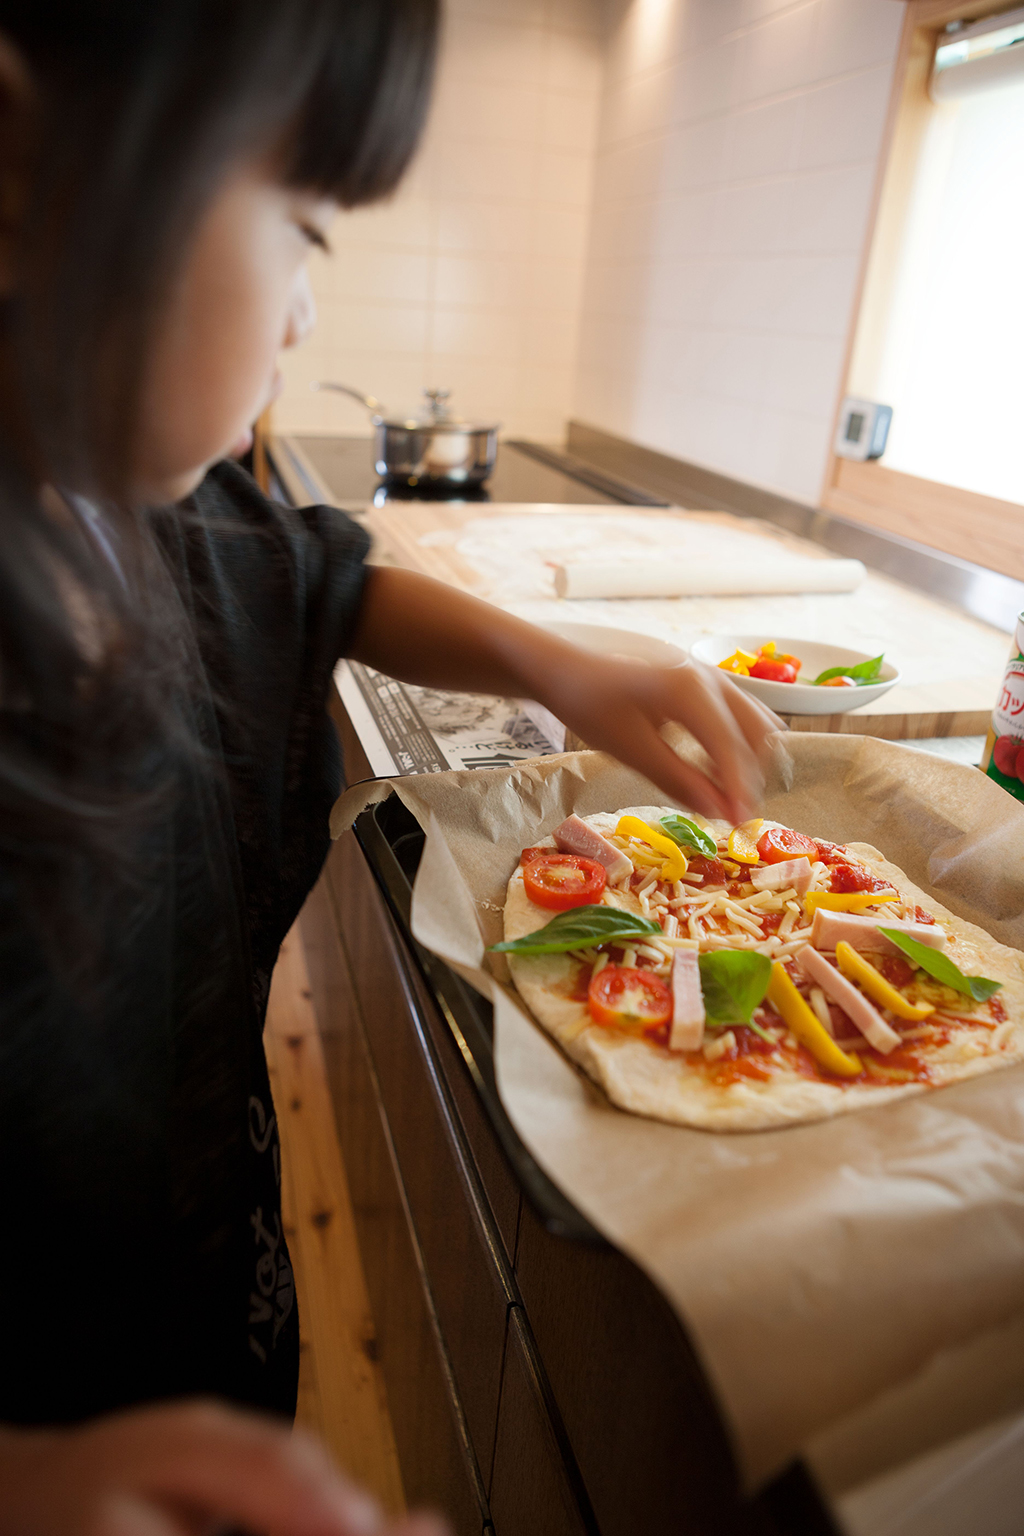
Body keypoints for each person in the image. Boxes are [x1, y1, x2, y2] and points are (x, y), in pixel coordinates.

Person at [0, 2, 781, 1530]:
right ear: (23, 161)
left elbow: (319, 574)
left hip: (192, 1278)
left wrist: (559, 658)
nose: (300, 320)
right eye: (301, 229)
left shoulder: (124, 511)